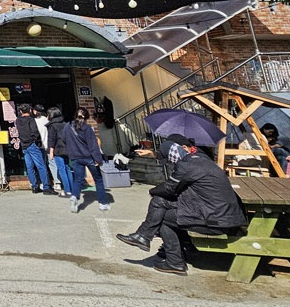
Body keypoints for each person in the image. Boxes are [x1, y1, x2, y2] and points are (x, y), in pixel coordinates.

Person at [116, 134, 246, 276]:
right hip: (222, 214)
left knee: (163, 218)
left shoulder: (188, 164)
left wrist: (152, 191)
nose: (171, 162)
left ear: (183, 148)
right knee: (160, 203)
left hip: (217, 220)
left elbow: (170, 188)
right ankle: (145, 237)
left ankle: (174, 261)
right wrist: (154, 154)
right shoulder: (201, 159)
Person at [63, 110, 111, 213]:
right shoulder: (87, 128)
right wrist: (98, 159)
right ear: (86, 117)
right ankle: (102, 203)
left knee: (78, 179)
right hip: (89, 157)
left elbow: (64, 139)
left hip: (75, 157)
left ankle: (74, 196)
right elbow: (93, 145)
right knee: (98, 179)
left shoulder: (67, 126)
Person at [13, 103, 55, 195]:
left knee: (29, 167)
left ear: (20, 111)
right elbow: (35, 132)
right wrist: (36, 141)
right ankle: (46, 187)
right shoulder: (31, 120)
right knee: (41, 166)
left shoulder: (17, 121)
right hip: (32, 145)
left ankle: (34, 186)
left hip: (24, 145)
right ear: (30, 110)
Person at [46, 105, 74, 198]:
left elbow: (51, 140)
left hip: (58, 149)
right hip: (67, 149)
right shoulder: (66, 124)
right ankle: (72, 189)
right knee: (68, 168)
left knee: (61, 170)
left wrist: (51, 151)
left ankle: (67, 191)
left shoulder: (52, 126)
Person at [33, 104, 60, 192]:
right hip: (49, 144)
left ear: (35, 111)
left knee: (42, 165)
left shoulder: (33, 121)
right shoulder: (46, 120)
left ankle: (44, 182)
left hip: (40, 146)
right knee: (52, 164)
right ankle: (57, 182)